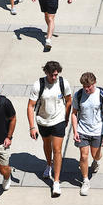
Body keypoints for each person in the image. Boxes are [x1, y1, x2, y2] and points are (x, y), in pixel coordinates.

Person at [27, 61, 72, 197]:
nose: (54, 78)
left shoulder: (63, 83)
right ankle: (48, 164)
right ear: (46, 73)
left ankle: (56, 182)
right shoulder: (38, 85)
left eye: (56, 75)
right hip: (43, 121)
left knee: (57, 149)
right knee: (47, 144)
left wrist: (66, 118)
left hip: (58, 120)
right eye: (52, 75)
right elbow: (30, 106)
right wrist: (32, 127)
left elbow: (69, 100)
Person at [71, 72, 103, 196]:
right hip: (82, 130)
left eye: (89, 86)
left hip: (97, 131)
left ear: (94, 83)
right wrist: (75, 130)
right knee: (84, 156)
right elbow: (74, 113)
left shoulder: (102, 95)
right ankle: (85, 180)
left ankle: (96, 161)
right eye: (84, 86)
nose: (86, 89)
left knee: (96, 155)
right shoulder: (78, 95)